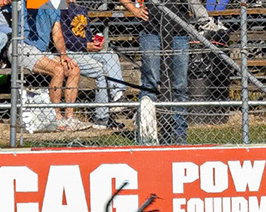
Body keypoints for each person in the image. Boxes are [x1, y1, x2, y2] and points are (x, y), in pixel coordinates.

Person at [117, 0, 190, 143]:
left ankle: (179, 135)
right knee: (150, 84)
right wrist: (133, 9)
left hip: (179, 32)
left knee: (180, 86)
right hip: (151, 32)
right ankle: (147, 134)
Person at [16, 0, 88, 131]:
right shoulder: (30, 2)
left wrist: (63, 54)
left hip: (42, 51)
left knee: (74, 69)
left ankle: (69, 117)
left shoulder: (55, 5)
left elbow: (57, 33)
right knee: (58, 70)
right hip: (23, 48)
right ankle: (56, 117)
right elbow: (32, 4)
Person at [59, 0, 124, 128]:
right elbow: (62, 38)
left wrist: (93, 42)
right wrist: (85, 45)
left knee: (111, 56)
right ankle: (102, 118)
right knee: (102, 70)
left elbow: (85, 33)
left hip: (84, 51)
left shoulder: (81, 7)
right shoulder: (60, 7)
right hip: (69, 52)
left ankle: (118, 95)